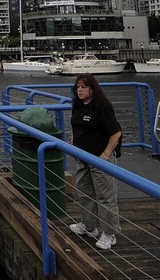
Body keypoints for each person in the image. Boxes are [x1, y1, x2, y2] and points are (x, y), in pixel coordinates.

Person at [67, 73, 122, 250]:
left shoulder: (102, 107)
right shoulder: (77, 106)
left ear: (92, 88)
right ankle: (89, 226)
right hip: (83, 158)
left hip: (100, 159)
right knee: (84, 192)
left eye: (83, 87)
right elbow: (75, 127)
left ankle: (109, 233)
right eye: (77, 87)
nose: (80, 90)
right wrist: (73, 145)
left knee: (105, 196)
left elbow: (116, 133)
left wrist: (105, 155)